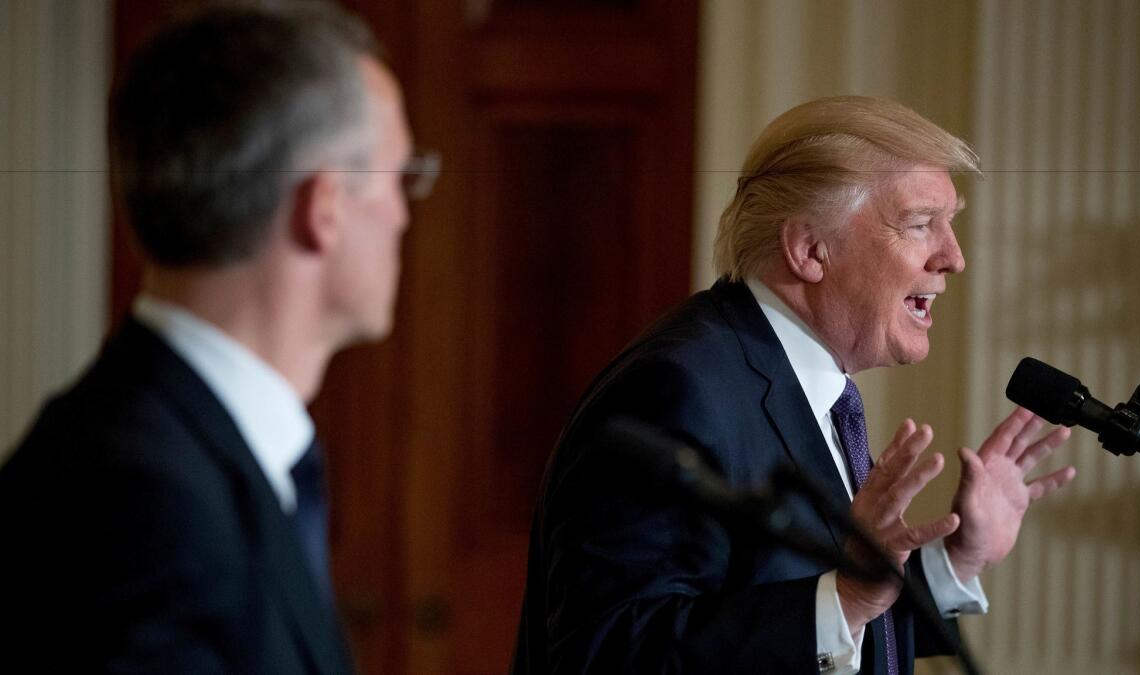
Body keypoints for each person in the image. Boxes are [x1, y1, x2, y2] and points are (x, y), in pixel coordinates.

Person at [511, 96, 1076, 674]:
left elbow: (811, 626)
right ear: (809, 249)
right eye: (919, 224)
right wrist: (845, 599)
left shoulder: (802, 381)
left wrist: (955, 560)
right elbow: (608, 652)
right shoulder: (679, 388)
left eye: (949, 223)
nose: (954, 258)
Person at [0, 2, 433, 672]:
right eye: (401, 177)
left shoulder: (158, 447)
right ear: (324, 209)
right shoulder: (147, 504)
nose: (405, 216)